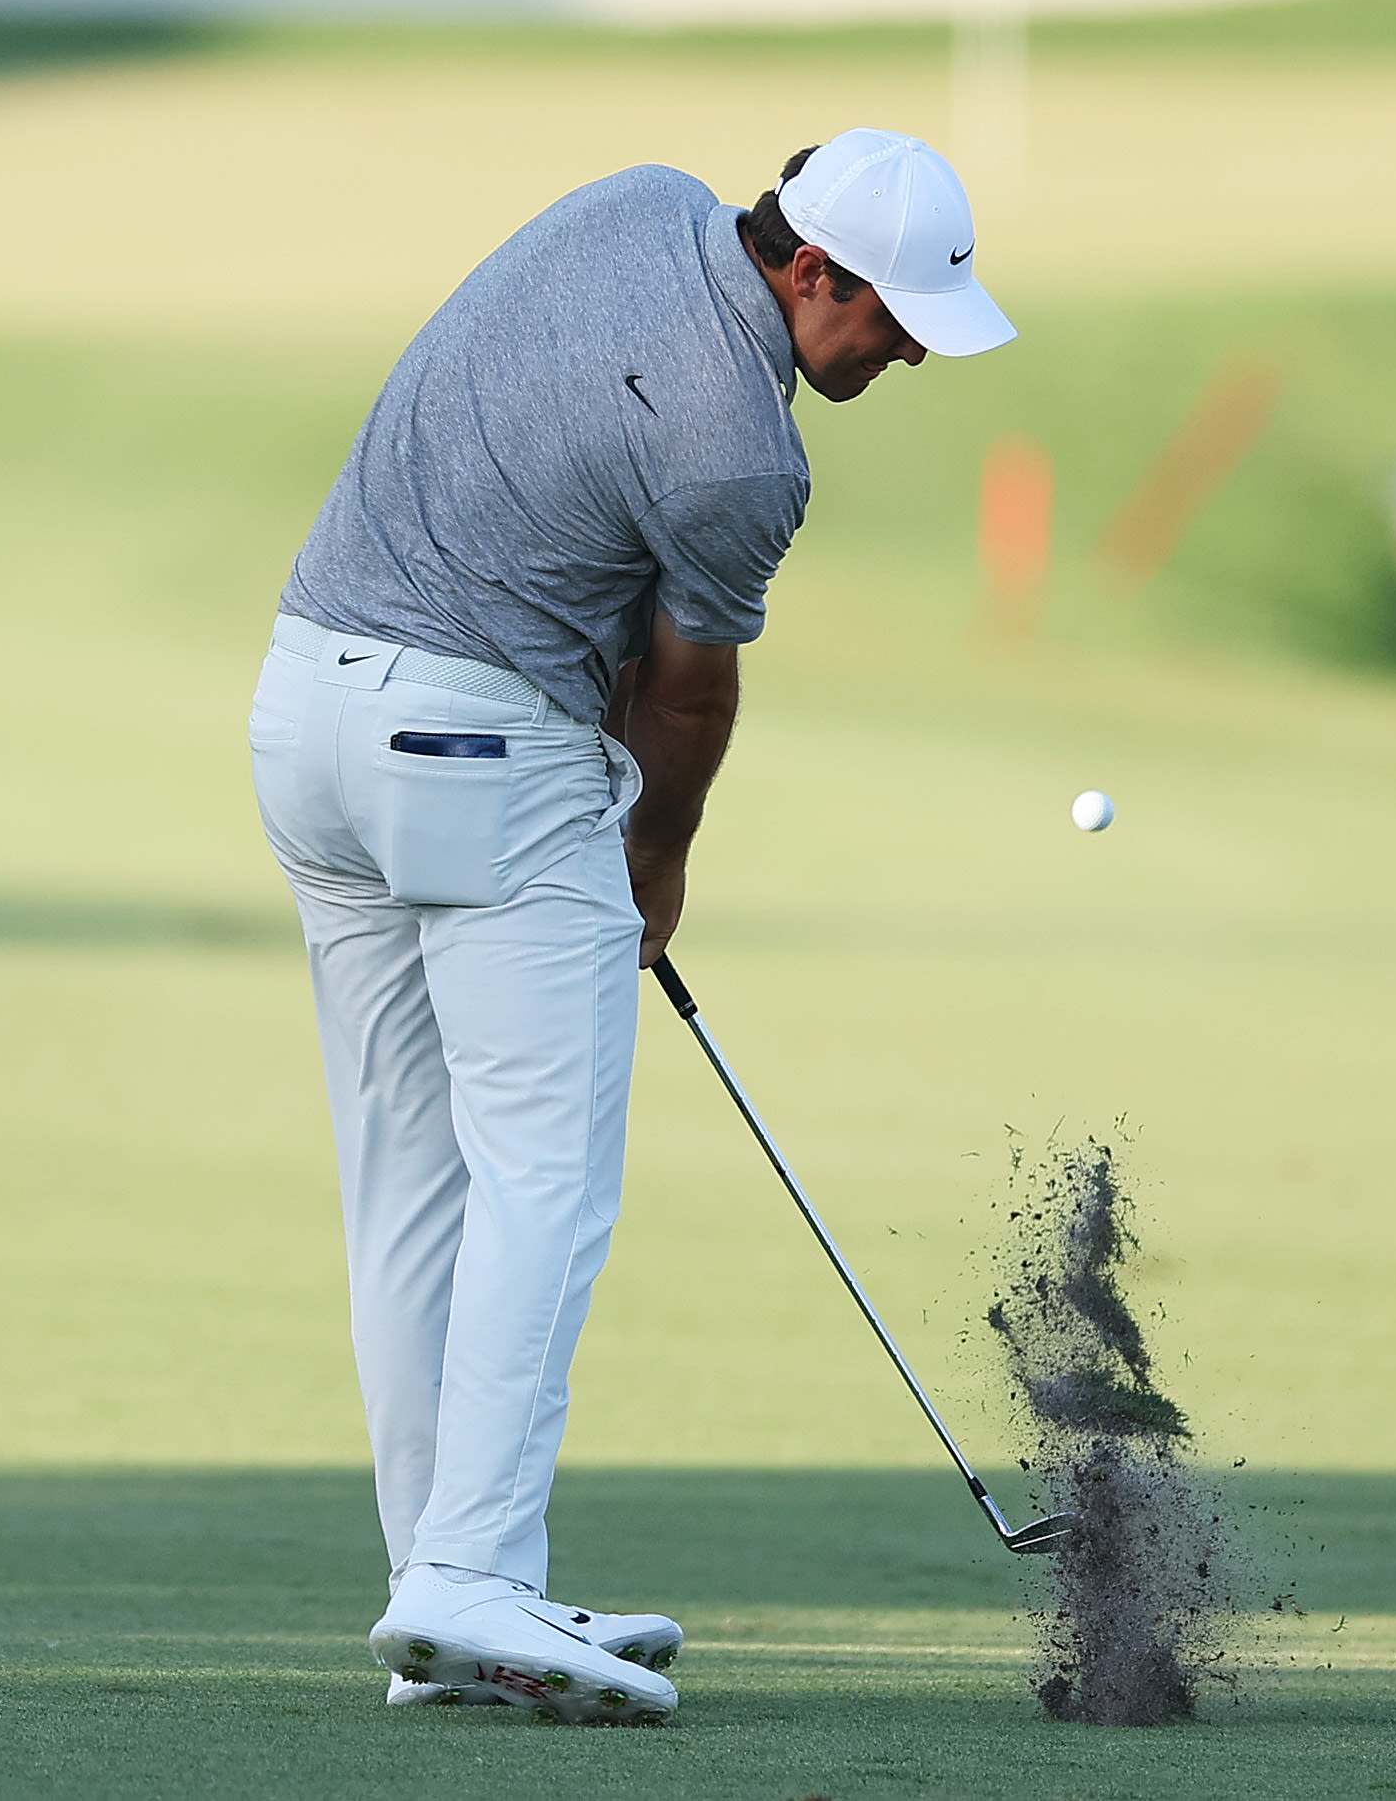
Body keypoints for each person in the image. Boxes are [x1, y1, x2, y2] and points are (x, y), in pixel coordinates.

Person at [248, 129, 1016, 1724]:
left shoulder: (638, 200)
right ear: (812, 271)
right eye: (892, 319)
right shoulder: (748, 460)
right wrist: (652, 864)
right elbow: (685, 693)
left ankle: (450, 1588)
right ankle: (467, 1575)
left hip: (306, 709)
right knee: (544, 1174)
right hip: (474, 749)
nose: (906, 355)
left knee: (411, 1183)